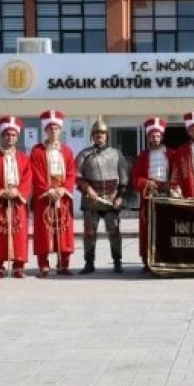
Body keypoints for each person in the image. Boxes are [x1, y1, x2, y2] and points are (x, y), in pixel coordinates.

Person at [76, 116, 130, 274]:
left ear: (107, 136)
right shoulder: (84, 154)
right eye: (96, 133)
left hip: (111, 199)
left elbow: (125, 178)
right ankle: (89, 263)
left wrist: (120, 196)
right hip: (91, 200)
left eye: (102, 133)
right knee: (89, 232)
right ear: (92, 135)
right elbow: (76, 176)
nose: (99, 135)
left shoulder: (116, 154)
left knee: (114, 231)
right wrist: (87, 189)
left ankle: (117, 261)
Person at [0, 116, 33, 279]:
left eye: (13, 135)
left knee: (19, 232)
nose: (10, 138)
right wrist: (1, 191)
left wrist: (18, 192)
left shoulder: (23, 158)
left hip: (17, 199)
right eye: (6, 135)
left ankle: (19, 265)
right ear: (2, 136)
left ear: (17, 137)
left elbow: (27, 177)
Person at [30, 110, 77, 277]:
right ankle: (43, 265)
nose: (53, 131)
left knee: (64, 230)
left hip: (63, 196)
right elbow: (35, 173)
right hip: (45, 196)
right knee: (44, 231)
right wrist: (47, 190)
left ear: (60, 130)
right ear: (45, 131)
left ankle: (63, 264)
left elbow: (71, 171)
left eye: (56, 128)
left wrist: (63, 189)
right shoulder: (37, 151)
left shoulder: (67, 151)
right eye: (50, 128)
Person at [131, 116, 173, 271]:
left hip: (167, 194)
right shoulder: (142, 156)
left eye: (157, 136)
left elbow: (177, 173)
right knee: (148, 228)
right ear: (148, 137)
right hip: (149, 194)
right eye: (152, 136)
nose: (155, 139)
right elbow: (136, 176)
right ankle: (147, 260)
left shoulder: (171, 154)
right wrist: (147, 183)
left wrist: (170, 185)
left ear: (161, 137)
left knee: (166, 227)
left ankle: (167, 258)